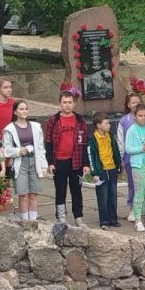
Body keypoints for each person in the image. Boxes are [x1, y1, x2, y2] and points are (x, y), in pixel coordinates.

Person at [44, 85, 90, 226]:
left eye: (70, 102)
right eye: (64, 102)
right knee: (60, 190)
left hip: (75, 160)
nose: (67, 105)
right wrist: (50, 162)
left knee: (76, 190)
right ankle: (61, 215)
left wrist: (86, 164)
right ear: (60, 103)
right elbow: (49, 142)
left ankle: (78, 216)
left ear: (74, 104)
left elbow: (84, 143)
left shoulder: (80, 120)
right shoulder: (53, 120)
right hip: (59, 161)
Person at [1, 100, 47, 221]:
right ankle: (25, 222)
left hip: (34, 161)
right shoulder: (9, 128)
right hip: (20, 163)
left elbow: (40, 148)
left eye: (26, 109)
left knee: (33, 194)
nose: (24, 111)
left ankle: (33, 221)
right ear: (15, 111)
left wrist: (44, 165)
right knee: (23, 195)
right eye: (21, 109)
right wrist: (18, 151)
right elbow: (6, 150)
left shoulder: (36, 127)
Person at [124, 103, 145, 232]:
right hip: (138, 165)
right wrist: (141, 148)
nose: (143, 118)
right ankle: (138, 220)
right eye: (140, 116)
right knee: (139, 192)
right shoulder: (132, 130)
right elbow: (128, 149)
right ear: (135, 117)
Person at [88, 112, 121, 229]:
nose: (109, 125)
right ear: (98, 125)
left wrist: (118, 165)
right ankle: (104, 221)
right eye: (106, 123)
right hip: (100, 172)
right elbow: (91, 156)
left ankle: (113, 219)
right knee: (102, 196)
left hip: (111, 169)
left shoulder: (110, 136)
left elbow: (115, 150)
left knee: (113, 195)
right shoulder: (92, 139)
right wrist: (94, 173)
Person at [117, 92, 145, 223]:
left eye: (137, 102)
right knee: (133, 184)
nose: (135, 105)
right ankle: (133, 208)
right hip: (131, 157)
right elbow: (121, 141)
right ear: (128, 105)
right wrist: (122, 158)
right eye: (133, 103)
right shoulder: (124, 121)